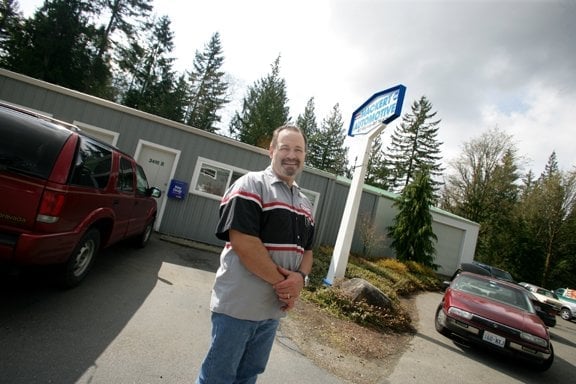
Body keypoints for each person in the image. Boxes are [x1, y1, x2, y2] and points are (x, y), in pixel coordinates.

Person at [196, 125, 315, 384]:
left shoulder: (305, 204)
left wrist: (300, 280)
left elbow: (307, 251)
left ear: (305, 156)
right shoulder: (251, 185)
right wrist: (285, 286)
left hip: (271, 312)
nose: (291, 155)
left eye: (298, 149)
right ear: (271, 150)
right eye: (284, 147)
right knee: (217, 378)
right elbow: (244, 243)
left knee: (248, 376)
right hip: (238, 307)